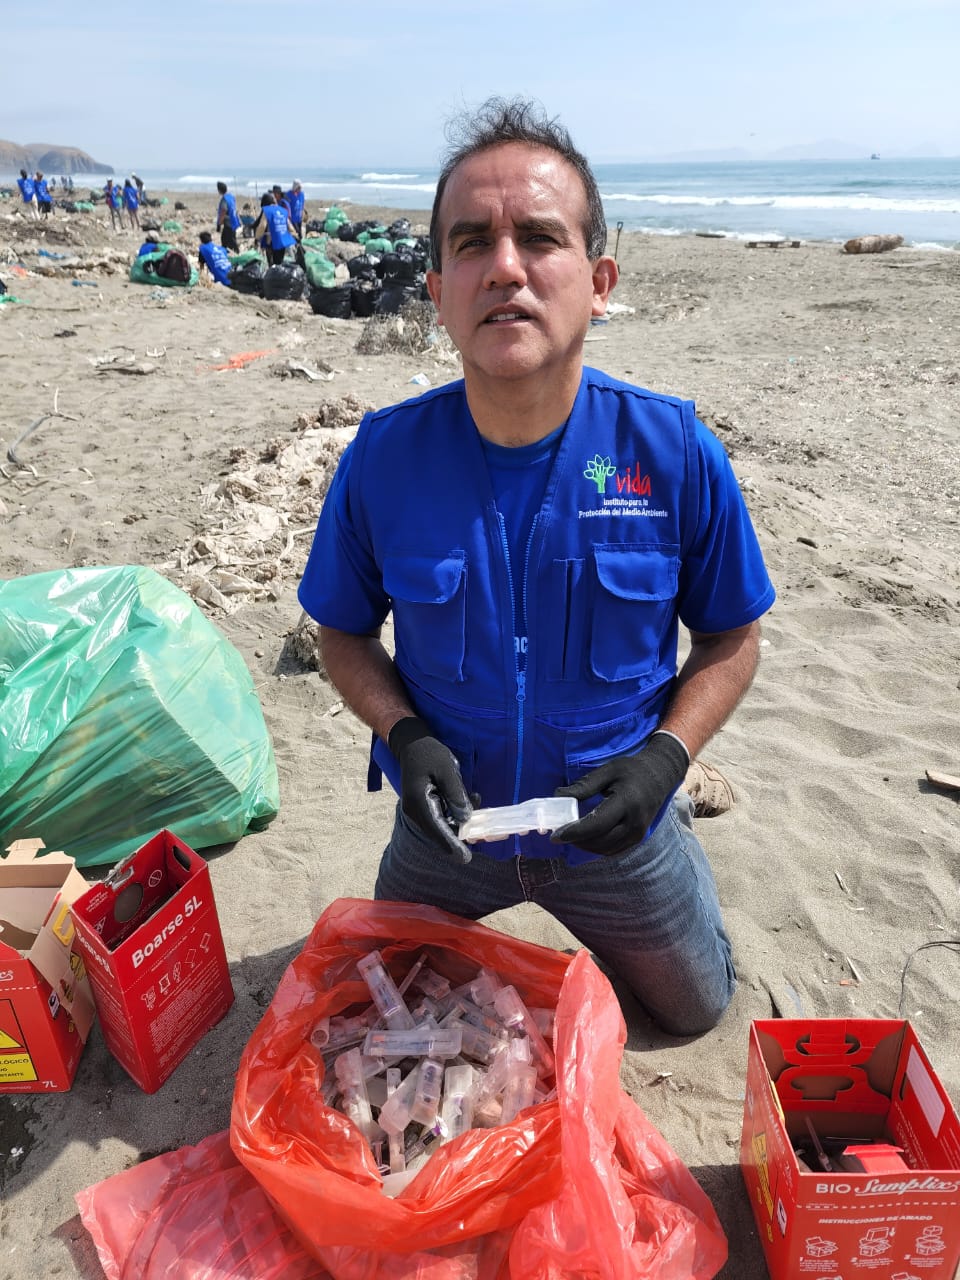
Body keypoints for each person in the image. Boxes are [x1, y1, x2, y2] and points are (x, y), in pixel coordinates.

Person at [297, 97, 775, 1037]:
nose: (505, 267)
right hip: (449, 830)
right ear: (436, 291)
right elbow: (340, 633)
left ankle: (674, 840)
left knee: (698, 1010)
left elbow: (735, 636)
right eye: (471, 243)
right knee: (381, 1012)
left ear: (597, 281)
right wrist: (404, 737)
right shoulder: (383, 459)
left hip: (614, 830)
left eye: (539, 239)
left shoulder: (672, 452)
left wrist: (664, 763)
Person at [255, 191, 298, 266]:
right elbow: (290, 226)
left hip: (272, 242)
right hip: (283, 241)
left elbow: (262, 226)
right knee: (279, 262)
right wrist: (295, 235)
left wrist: (257, 237)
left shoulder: (267, 210)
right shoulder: (282, 210)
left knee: (272, 265)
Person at [216, 181, 242, 252]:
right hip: (234, 221)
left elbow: (223, 211)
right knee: (224, 239)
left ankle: (237, 254)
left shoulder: (224, 199)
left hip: (228, 223)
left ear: (219, 190)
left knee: (231, 241)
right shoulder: (231, 197)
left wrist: (219, 224)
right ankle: (226, 253)